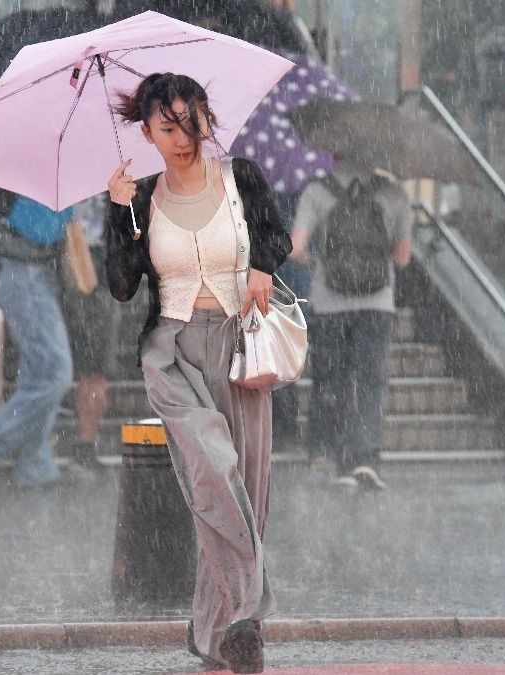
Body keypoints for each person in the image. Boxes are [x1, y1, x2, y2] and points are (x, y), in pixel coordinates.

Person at [106, 73, 290, 673]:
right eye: (167, 127)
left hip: (241, 351)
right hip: (174, 353)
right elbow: (120, 284)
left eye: (191, 122)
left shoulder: (242, 177)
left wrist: (261, 266)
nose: (182, 137)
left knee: (245, 496)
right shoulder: (140, 199)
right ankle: (248, 608)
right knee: (214, 472)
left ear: (207, 118)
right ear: (147, 132)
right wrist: (117, 214)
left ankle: (218, 637)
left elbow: (274, 235)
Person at [289, 159, 413, 491]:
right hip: (377, 303)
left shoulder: (317, 191)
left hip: (330, 303)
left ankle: (338, 457)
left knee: (334, 380)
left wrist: (314, 261)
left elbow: (295, 247)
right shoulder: (395, 195)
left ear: (335, 151)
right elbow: (402, 259)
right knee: (371, 382)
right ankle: (367, 457)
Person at [0, 187, 74, 489]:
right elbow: (39, 231)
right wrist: (64, 209)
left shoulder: (31, 178)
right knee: (56, 373)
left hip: (33, 275)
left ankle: (35, 464)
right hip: (25, 274)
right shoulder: (29, 183)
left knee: (39, 373)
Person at [59, 193, 118, 473]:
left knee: (94, 369)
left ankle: (84, 444)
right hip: (79, 266)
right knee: (92, 369)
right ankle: (83, 444)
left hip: (92, 271)